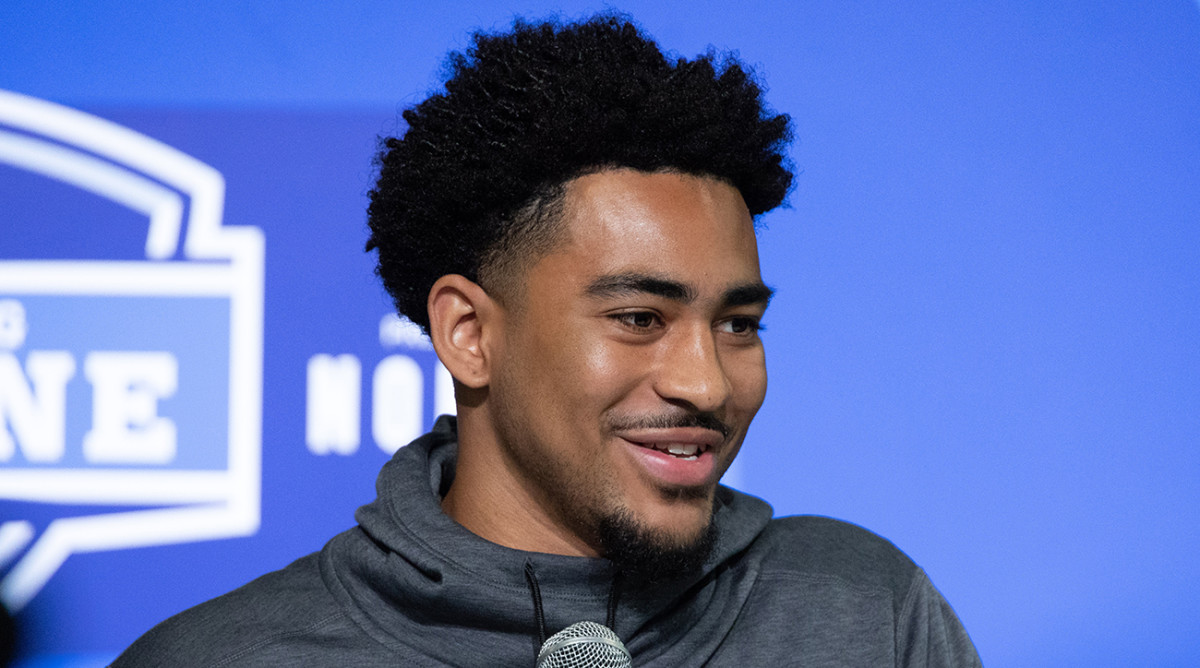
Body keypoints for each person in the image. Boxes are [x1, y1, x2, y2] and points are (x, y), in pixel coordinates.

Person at [114, 14, 981, 667]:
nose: (709, 384)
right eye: (640, 319)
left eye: (737, 325)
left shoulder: (868, 614)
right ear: (468, 334)